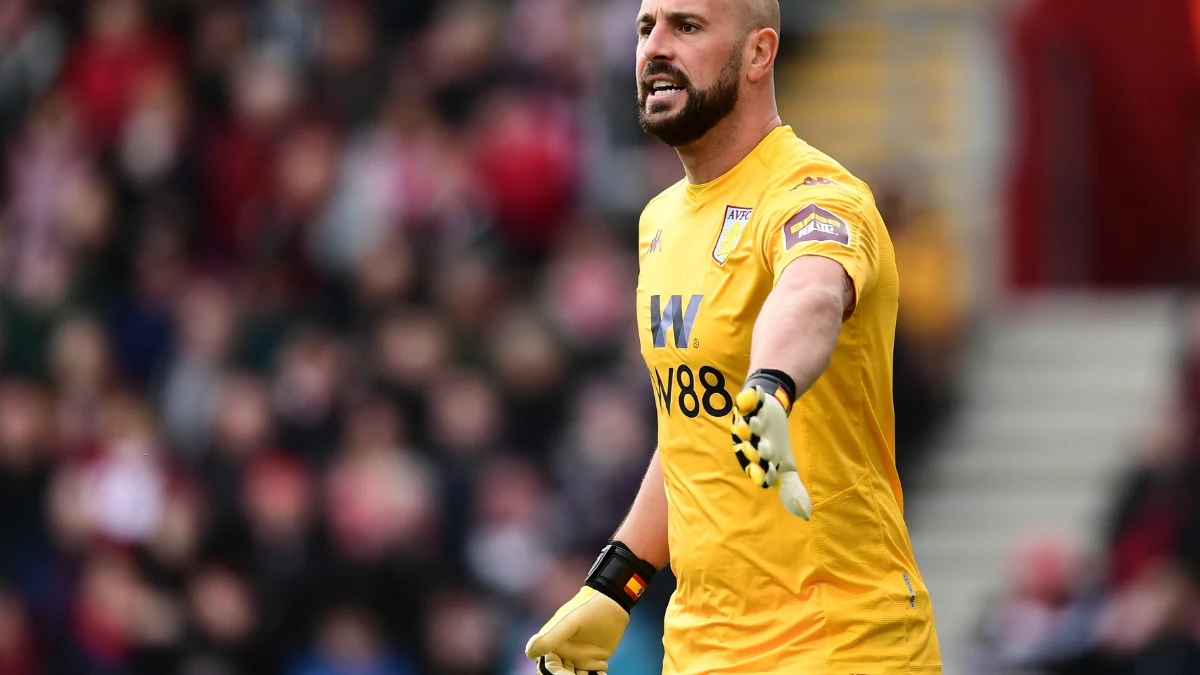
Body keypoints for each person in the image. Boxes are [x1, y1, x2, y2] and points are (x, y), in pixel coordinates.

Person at [524, 0, 942, 674]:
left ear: (758, 53)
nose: (656, 47)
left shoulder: (818, 193)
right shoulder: (660, 220)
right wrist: (615, 584)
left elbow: (811, 293)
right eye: (644, 28)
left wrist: (771, 385)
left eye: (686, 27)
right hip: (699, 649)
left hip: (843, 642)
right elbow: (692, 432)